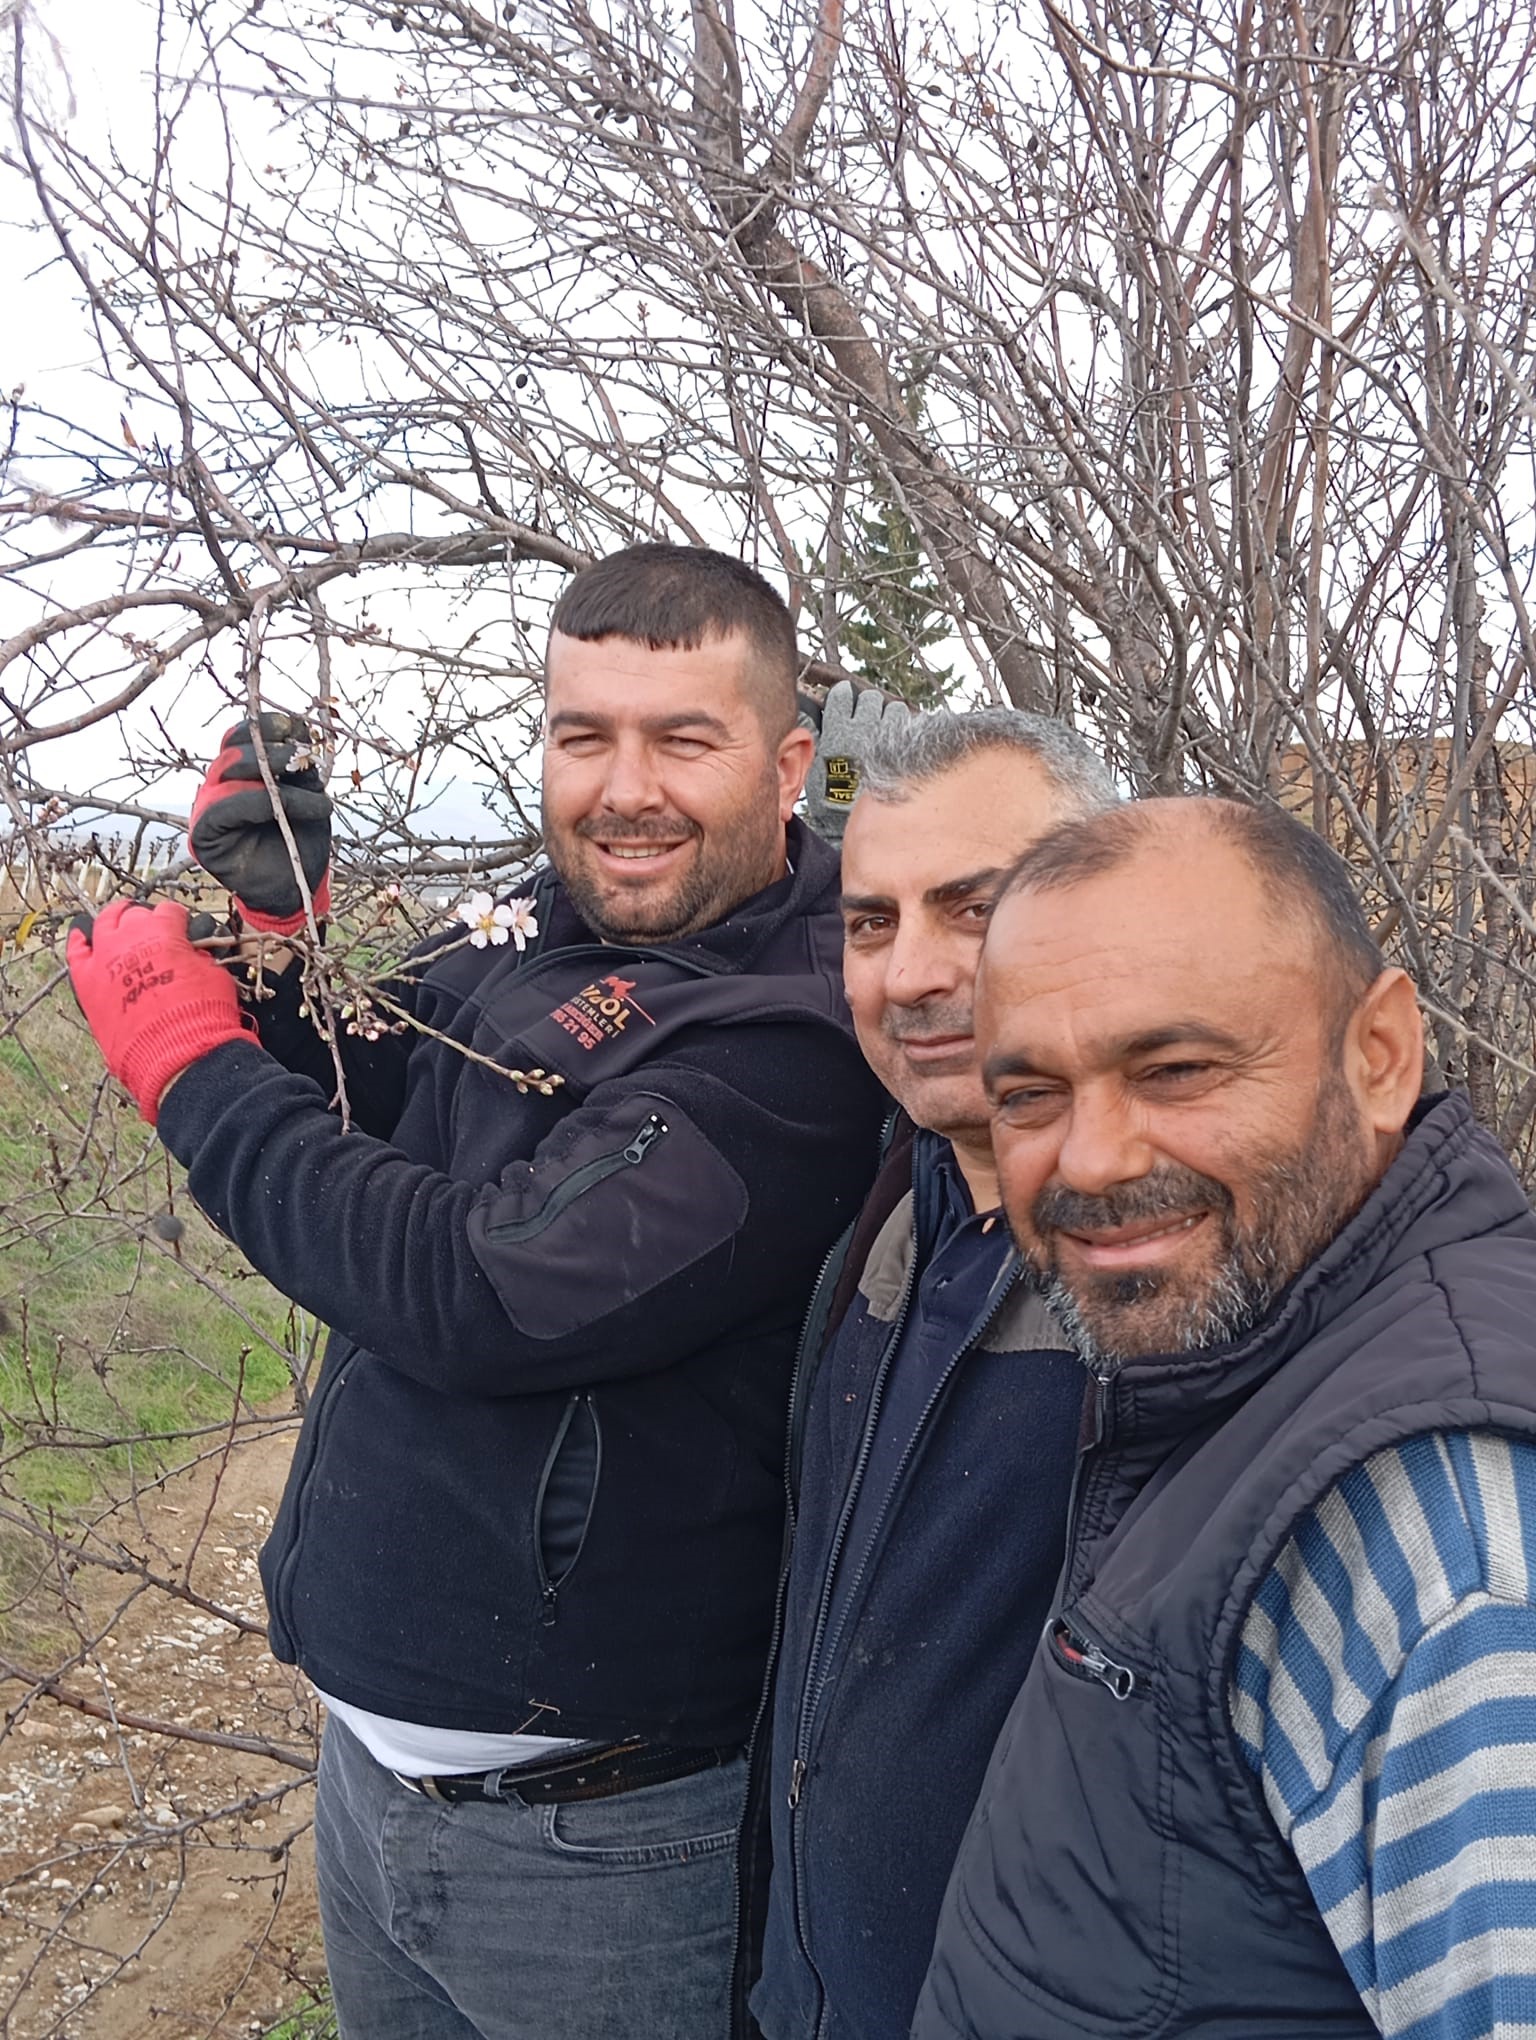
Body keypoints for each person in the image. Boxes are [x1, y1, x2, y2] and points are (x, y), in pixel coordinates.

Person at [66, 544, 892, 2040]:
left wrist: (191, 1068)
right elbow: (386, 1095)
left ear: (787, 769)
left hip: (606, 1848)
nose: (624, 790)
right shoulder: (543, 920)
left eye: (682, 740)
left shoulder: (794, 1044)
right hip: (375, 1790)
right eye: (584, 736)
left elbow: (481, 1287)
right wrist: (281, 960)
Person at [915, 796, 1536, 2040]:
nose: (1090, 1159)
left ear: (1380, 1055)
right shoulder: (1251, 1357)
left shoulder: (1445, 1535)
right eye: (1029, 1095)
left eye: (1176, 1071)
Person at [747, 709, 1117, 2040]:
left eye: (977, 908)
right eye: (871, 922)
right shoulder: (889, 1217)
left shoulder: (1183, 1286)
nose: (911, 973)